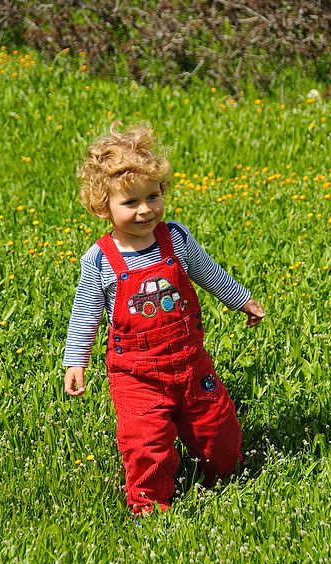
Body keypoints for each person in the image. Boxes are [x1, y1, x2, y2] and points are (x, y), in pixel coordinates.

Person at [63, 122, 265, 515]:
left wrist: (241, 300)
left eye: (152, 196)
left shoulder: (176, 239)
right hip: (136, 376)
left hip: (190, 362)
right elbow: (85, 313)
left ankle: (226, 478)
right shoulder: (101, 260)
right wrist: (76, 360)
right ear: (102, 207)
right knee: (145, 441)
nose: (145, 210)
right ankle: (150, 504)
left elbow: (209, 273)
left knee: (218, 427)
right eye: (130, 202)